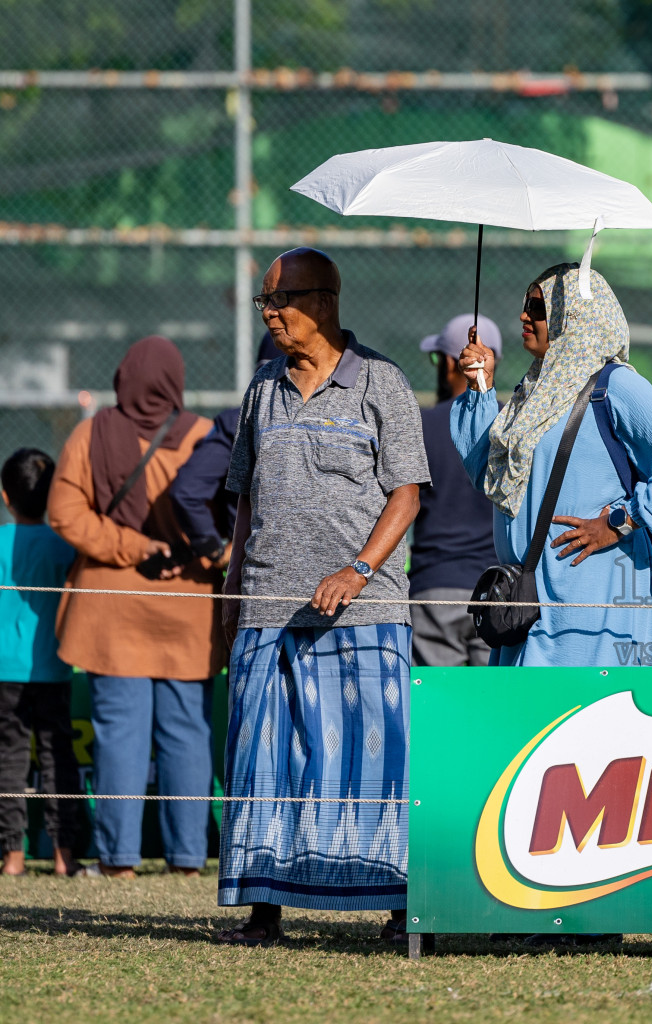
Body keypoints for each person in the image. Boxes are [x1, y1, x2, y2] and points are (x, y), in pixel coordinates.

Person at [216, 247, 430, 945]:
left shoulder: (383, 384)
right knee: (262, 757)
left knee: (378, 753)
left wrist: (359, 570)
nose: (271, 314)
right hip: (267, 605)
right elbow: (243, 502)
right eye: (265, 304)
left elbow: (406, 493)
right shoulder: (260, 390)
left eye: (282, 300)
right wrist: (230, 591)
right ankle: (263, 908)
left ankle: (400, 906)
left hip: (362, 607)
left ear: (326, 302)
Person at [452, 262, 652, 667]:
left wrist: (620, 522)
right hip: (527, 605)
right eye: (526, 304)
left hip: (594, 603)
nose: (524, 316)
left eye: (539, 308)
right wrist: (481, 387)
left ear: (573, 317)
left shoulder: (615, 386)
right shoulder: (536, 389)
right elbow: (488, 476)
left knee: (593, 722)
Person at [47, 335, 222, 879]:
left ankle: (118, 860)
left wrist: (131, 546)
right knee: (187, 732)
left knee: (118, 735)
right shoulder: (202, 435)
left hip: (111, 607)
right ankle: (189, 859)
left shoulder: (90, 432)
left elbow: (64, 515)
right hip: (188, 605)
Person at [0, 449, 86, 877]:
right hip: (53, 666)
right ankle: (63, 855)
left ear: (4, 495)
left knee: (7, 760)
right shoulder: (65, 545)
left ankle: (12, 857)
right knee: (58, 757)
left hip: (4, 672)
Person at [409, 313, 503, 667]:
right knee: (491, 708)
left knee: (437, 712)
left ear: (452, 362)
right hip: (499, 591)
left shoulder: (423, 425)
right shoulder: (514, 426)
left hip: (433, 587)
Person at [168, 332, 282, 567]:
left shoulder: (237, 421)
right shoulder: (348, 421)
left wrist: (216, 551)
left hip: (254, 568)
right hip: (337, 573)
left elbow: (186, 491)